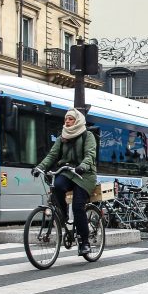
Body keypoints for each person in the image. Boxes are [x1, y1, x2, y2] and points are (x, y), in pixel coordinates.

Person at [34, 108, 97, 256]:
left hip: (85, 175)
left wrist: (83, 166)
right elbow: (52, 155)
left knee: (77, 206)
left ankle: (84, 242)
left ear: (77, 121)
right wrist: (40, 167)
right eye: (66, 119)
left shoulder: (88, 136)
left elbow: (90, 154)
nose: (67, 121)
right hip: (68, 172)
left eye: (70, 119)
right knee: (57, 185)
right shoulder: (62, 137)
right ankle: (62, 216)